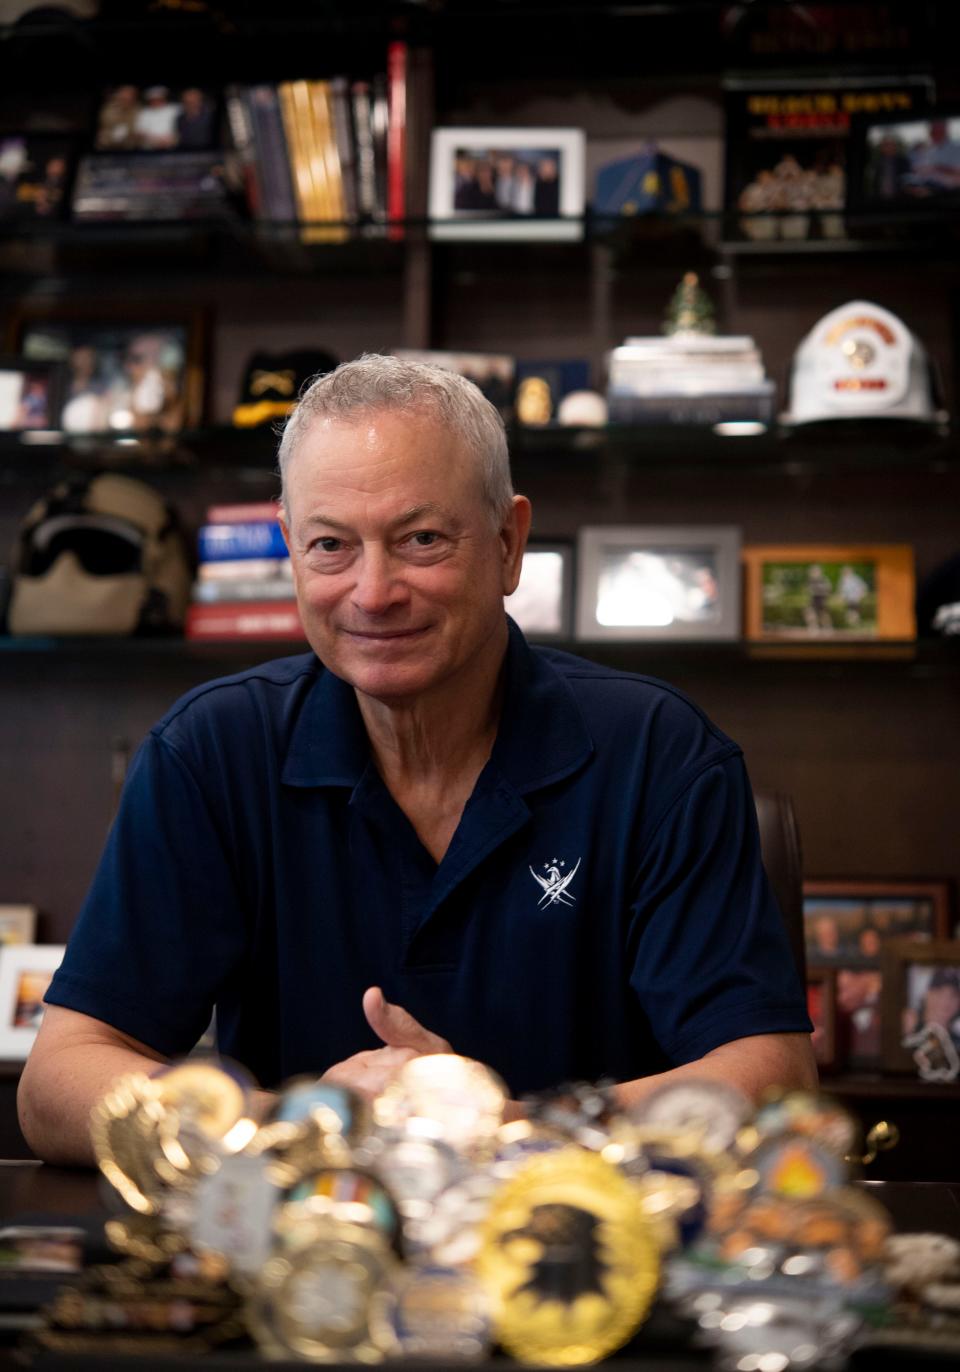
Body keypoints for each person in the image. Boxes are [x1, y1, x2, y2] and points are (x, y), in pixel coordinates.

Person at [19, 355, 815, 1165]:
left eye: (422, 540)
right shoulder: (211, 752)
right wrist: (304, 1123)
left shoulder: (659, 752)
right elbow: (57, 1086)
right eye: (331, 545)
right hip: (303, 1261)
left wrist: (493, 1127)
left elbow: (772, 1075)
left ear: (509, 544)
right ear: (291, 548)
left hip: (580, 1251)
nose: (373, 591)